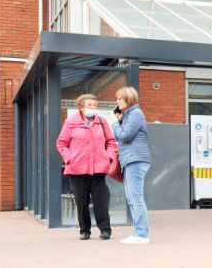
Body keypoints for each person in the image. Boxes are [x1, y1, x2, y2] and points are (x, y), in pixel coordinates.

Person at [56, 94, 118, 241]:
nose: (92, 108)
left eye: (94, 105)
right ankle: (84, 231)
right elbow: (61, 143)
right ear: (81, 107)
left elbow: (111, 142)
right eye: (89, 105)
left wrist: (108, 157)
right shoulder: (71, 122)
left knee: (100, 202)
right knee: (81, 202)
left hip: (98, 169)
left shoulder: (102, 122)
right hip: (78, 169)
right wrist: (70, 158)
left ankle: (105, 230)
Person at [111, 86, 151, 245]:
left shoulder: (136, 114)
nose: (117, 102)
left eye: (120, 98)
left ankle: (141, 235)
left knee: (136, 198)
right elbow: (121, 136)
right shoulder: (129, 116)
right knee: (131, 198)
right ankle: (138, 233)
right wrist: (120, 121)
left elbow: (125, 136)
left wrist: (115, 123)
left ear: (128, 99)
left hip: (136, 160)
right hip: (131, 160)